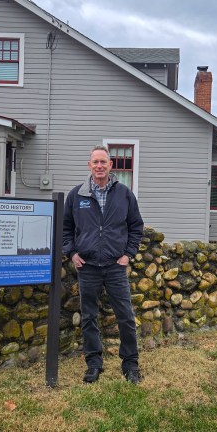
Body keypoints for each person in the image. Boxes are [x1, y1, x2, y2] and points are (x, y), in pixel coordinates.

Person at [63, 145, 145, 384]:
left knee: (126, 317)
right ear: (89, 166)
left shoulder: (124, 194)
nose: (99, 166)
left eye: (103, 162)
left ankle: (130, 365)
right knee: (89, 317)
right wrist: (72, 253)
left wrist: (128, 254)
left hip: (115, 266)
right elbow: (66, 228)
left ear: (110, 166)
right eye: (95, 162)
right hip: (87, 266)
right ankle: (94, 363)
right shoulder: (76, 195)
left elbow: (136, 227)